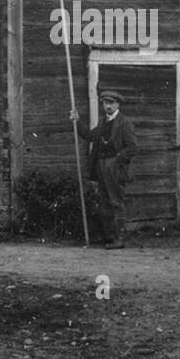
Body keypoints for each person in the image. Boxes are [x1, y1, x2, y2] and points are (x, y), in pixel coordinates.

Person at [71, 89, 138, 249]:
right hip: (101, 166)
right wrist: (77, 121)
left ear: (117, 104)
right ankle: (108, 237)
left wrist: (116, 160)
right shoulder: (103, 122)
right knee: (104, 201)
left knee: (116, 201)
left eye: (111, 103)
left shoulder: (124, 123)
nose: (107, 106)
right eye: (105, 103)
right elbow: (89, 136)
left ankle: (119, 238)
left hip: (115, 167)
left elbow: (133, 147)